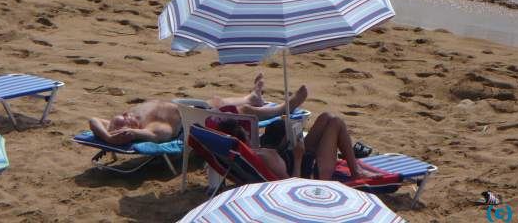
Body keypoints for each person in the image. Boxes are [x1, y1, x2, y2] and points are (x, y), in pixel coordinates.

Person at [88, 73, 308, 145]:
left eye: (123, 115)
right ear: (129, 131)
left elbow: (93, 120)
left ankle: (252, 96)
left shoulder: (129, 120)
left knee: (218, 101)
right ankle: (281, 108)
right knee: (242, 112)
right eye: (125, 121)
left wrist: (107, 134)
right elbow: (157, 135)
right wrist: (127, 135)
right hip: (199, 120)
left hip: (193, 106)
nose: (127, 115)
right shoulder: (154, 127)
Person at [219, 111, 376, 180]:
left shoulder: (251, 153)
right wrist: (299, 156)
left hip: (301, 158)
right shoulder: (263, 156)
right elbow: (292, 185)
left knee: (326, 117)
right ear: (244, 138)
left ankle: (355, 168)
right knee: (336, 122)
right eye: (246, 133)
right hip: (312, 173)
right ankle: (356, 171)